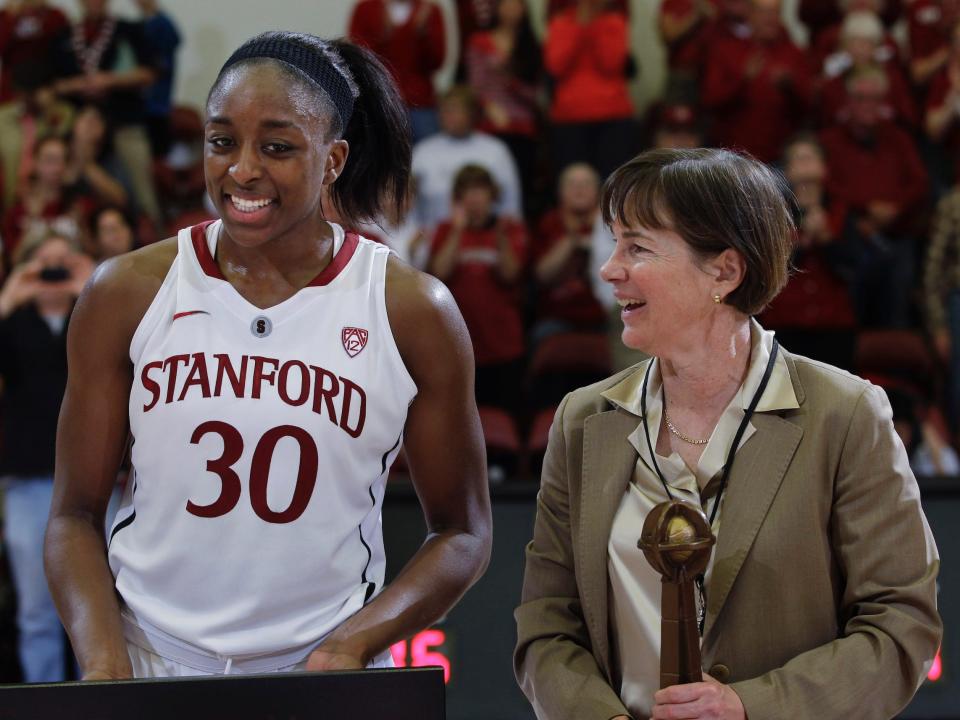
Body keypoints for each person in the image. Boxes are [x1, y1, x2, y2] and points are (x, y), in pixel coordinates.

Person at [44, 31, 492, 680]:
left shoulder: (411, 310)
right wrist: (106, 666)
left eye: (277, 147)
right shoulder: (126, 293)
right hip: (151, 662)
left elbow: (463, 533)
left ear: (333, 159)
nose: (243, 170)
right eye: (222, 141)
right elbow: (72, 517)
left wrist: (352, 646)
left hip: (322, 670)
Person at [514, 148, 941, 720]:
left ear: (725, 271)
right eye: (614, 242)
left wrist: (750, 707)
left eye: (636, 247)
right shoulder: (583, 420)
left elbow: (900, 626)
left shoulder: (845, 414)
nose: (609, 268)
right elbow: (545, 625)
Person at [0, 228, 93, 682]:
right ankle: (42, 700)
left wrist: (95, 290)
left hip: (95, 480)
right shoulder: (12, 324)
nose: (54, 273)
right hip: (29, 479)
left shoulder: (95, 316)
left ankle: (98, 702)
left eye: (64, 263)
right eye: (44, 264)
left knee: (96, 611)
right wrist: (7, 299)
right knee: (36, 610)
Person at [428, 164, 526, 413]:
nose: (474, 199)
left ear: (492, 195)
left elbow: (510, 274)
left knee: (505, 421)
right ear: (459, 199)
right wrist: (458, 229)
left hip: (504, 344)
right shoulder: (445, 230)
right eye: (468, 192)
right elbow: (439, 271)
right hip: (458, 344)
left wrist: (499, 234)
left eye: (480, 191)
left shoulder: (511, 229)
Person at [411, 84, 522, 233]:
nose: (448, 115)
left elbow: (511, 204)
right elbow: (407, 206)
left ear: (472, 113)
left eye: (455, 110)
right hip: (432, 240)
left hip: (485, 238)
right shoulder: (422, 152)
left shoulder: (496, 150)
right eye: (444, 110)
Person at [348, 0, 446, 143]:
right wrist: (389, 35)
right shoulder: (366, 9)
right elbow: (360, 57)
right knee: (379, 156)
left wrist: (422, 34)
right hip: (378, 100)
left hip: (420, 103)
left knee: (428, 154)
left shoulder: (430, 11)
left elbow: (438, 60)